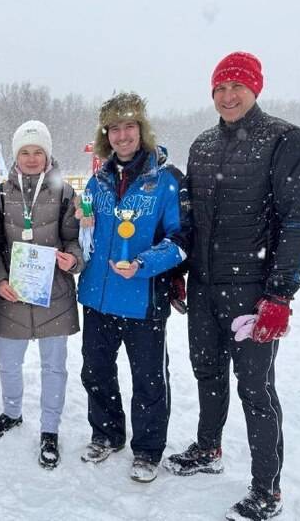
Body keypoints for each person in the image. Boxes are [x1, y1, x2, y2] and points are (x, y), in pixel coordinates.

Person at [162, 52, 300, 521]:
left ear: (255, 90)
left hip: (252, 290)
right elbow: (190, 217)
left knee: (255, 388)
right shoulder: (203, 144)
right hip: (206, 287)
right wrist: (179, 269)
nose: (228, 97)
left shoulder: (284, 140)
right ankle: (209, 448)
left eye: (237, 88)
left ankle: (266, 489)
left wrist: (279, 295)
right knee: (206, 373)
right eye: (220, 89)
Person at [75, 92, 189, 483]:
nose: (123, 135)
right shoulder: (96, 180)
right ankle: (106, 434)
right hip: (97, 296)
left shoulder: (167, 180)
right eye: (115, 128)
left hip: (144, 299)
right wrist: (79, 231)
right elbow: (85, 234)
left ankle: (148, 448)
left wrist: (143, 264)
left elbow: (180, 241)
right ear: (106, 134)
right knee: (96, 372)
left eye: (130, 126)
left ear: (142, 130)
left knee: (149, 379)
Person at [0, 120, 84, 470]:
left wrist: (73, 259)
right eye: (24, 152)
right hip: (11, 296)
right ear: (15, 155)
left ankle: (50, 430)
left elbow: (74, 240)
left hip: (53, 295)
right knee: (8, 362)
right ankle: (12, 412)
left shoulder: (66, 193)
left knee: (54, 367)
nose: (30, 158)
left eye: (37, 151)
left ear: (47, 153)